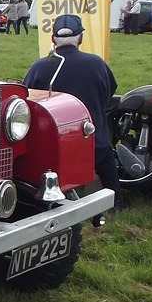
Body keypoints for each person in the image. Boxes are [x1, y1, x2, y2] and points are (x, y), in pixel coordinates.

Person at [23, 14, 122, 206]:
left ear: (53, 39)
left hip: (55, 148)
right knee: (105, 155)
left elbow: (27, 101)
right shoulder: (97, 63)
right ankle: (116, 200)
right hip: (95, 144)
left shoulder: (41, 66)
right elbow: (109, 92)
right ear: (81, 38)